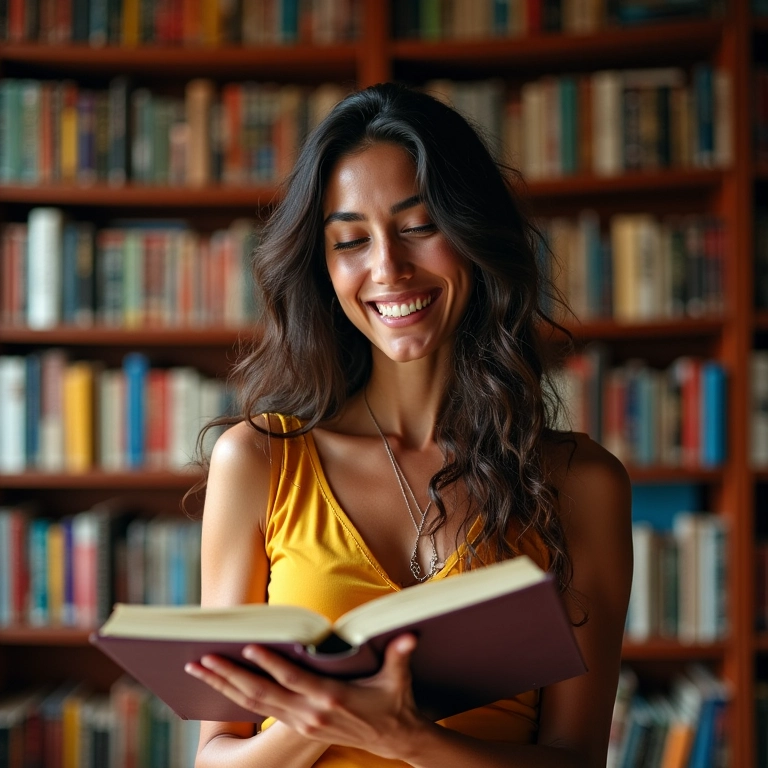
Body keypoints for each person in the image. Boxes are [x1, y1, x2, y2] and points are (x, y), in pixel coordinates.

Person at [184, 82, 633, 768]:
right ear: (322, 266)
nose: (387, 269)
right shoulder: (258, 463)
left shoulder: (581, 483)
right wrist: (330, 711)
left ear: (474, 234)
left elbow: (577, 760)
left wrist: (409, 738)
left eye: (419, 227)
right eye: (351, 240)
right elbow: (215, 757)